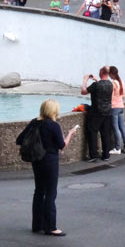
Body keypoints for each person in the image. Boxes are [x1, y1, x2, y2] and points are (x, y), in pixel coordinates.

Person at [16, 99, 79, 236]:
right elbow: (62, 146)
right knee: (50, 193)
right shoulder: (53, 125)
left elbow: (19, 139)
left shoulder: (34, 122)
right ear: (54, 111)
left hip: (37, 161)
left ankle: (37, 224)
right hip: (50, 161)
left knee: (39, 191)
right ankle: (50, 227)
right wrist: (70, 133)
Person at [81, 68, 114, 163]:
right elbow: (101, 86)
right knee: (105, 133)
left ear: (101, 73)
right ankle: (106, 155)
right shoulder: (110, 84)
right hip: (107, 111)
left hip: (96, 112)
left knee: (92, 132)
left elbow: (83, 91)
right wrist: (96, 80)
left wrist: (85, 80)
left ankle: (94, 155)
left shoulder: (96, 85)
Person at [108, 66, 125, 155]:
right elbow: (123, 94)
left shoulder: (113, 83)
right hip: (121, 106)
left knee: (116, 128)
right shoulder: (121, 82)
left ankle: (117, 148)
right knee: (122, 127)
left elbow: (111, 96)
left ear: (112, 74)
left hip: (114, 107)